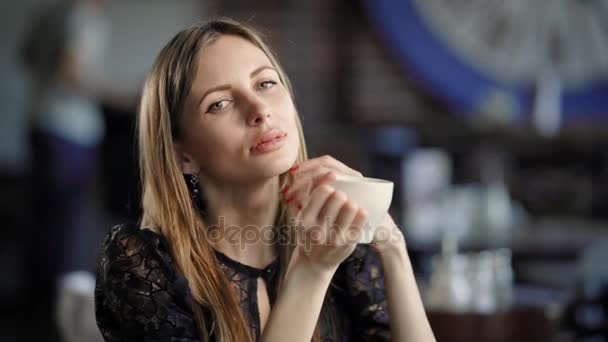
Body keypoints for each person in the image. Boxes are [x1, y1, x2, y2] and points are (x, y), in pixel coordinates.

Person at [94, 19, 435, 342]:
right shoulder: (140, 263)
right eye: (220, 104)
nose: (259, 108)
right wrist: (311, 272)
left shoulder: (343, 245)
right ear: (183, 155)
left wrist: (391, 246)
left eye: (266, 83)